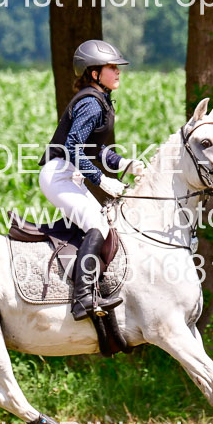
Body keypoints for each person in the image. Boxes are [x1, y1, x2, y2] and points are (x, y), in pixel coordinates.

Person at [38, 40, 145, 321]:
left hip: (69, 174)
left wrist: (122, 163)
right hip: (58, 174)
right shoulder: (91, 103)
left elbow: (94, 149)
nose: (118, 72)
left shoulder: (101, 101)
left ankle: (92, 287)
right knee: (97, 225)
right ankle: (82, 298)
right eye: (112, 67)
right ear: (94, 73)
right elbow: (73, 147)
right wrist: (101, 180)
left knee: (104, 225)